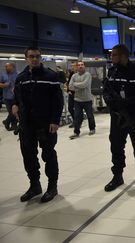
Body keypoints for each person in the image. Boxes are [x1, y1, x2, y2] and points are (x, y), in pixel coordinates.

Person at [12, 47, 64, 203]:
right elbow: (17, 96)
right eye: (31, 56)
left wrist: (55, 120)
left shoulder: (50, 76)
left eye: (37, 56)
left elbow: (58, 100)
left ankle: (52, 187)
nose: (34, 59)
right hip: (26, 124)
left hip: (46, 123)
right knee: (28, 155)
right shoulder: (21, 78)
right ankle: (34, 185)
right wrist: (14, 104)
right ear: (26, 58)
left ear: (40, 57)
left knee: (48, 154)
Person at [103, 44, 135, 193]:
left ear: (123, 56)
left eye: (114, 55)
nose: (111, 58)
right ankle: (117, 177)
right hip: (117, 118)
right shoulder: (112, 72)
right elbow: (107, 91)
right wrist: (110, 102)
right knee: (116, 148)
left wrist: (127, 101)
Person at [69, 61, 96, 139]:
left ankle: (92, 129)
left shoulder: (88, 75)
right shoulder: (74, 76)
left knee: (90, 116)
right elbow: (70, 87)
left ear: (84, 66)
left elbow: (84, 85)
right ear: (77, 67)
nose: (80, 66)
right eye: (79, 65)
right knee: (77, 116)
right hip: (77, 100)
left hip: (87, 99)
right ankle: (76, 132)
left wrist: (75, 84)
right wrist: (78, 85)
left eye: (82, 65)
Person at [0, 62, 18, 131]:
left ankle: (8, 123)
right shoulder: (3, 74)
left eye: (7, 66)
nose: (6, 68)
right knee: (11, 112)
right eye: (5, 67)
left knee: (15, 112)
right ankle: (9, 123)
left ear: (13, 67)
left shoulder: (18, 74)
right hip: (7, 97)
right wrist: (4, 85)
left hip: (15, 97)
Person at [66, 62, 78, 128]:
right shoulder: (71, 73)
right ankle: (75, 120)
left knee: (77, 109)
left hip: (78, 94)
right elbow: (68, 83)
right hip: (71, 93)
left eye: (73, 66)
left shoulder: (79, 74)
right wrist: (68, 90)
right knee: (70, 108)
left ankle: (77, 122)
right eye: (71, 66)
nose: (72, 67)